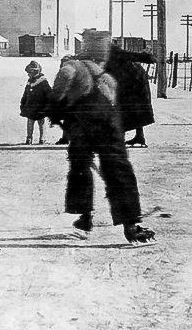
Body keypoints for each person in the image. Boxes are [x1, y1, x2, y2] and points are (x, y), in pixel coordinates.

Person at [46, 51, 156, 245]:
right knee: (119, 170)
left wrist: (55, 111)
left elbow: (59, 90)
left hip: (82, 126)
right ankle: (129, 224)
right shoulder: (106, 76)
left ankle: (85, 217)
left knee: (80, 169)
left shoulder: (72, 66)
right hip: (109, 126)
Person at [103, 45, 157, 147]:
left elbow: (131, 55)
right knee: (132, 108)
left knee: (125, 107)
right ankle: (138, 136)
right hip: (129, 80)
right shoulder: (99, 52)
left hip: (134, 80)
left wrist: (147, 57)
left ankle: (123, 137)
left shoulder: (110, 51)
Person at [20, 60, 51, 144]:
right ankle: (29, 138)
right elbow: (25, 94)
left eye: (29, 73)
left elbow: (49, 95)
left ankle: (42, 138)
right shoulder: (29, 81)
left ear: (34, 72)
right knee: (30, 123)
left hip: (41, 107)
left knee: (41, 123)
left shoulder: (43, 81)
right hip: (30, 107)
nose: (28, 75)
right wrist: (23, 104)